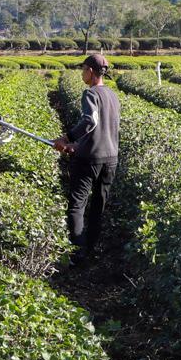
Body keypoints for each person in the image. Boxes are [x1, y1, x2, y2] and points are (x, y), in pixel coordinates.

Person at [52, 53, 120, 267]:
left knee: (77, 206)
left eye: (83, 69)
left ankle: (78, 253)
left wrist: (67, 138)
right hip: (111, 158)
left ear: (90, 72)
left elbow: (90, 121)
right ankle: (91, 249)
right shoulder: (113, 95)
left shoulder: (90, 94)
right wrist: (77, 146)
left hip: (90, 159)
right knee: (98, 205)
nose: (82, 73)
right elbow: (103, 129)